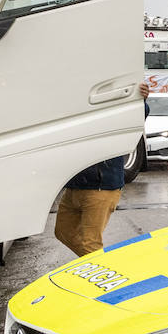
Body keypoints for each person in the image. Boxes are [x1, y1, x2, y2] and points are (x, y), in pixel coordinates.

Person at [54, 82, 150, 257]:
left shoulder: (114, 105)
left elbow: (135, 118)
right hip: (75, 184)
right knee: (63, 232)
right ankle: (103, 266)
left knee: (90, 243)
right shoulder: (79, 102)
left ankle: (104, 277)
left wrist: (140, 100)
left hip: (101, 186)